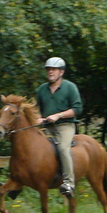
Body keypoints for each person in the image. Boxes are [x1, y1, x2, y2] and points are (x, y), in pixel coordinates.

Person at [35, 57, 83, 198]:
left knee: (62, 148)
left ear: (61, 72)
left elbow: (77, 109)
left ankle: (69, 182)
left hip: (65, 125)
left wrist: (59, 115)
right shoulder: (42, 89)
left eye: (53, 69)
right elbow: (36, 108)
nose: (50, 72)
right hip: (46, 126)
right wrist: (38, 117)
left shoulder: (70, 87)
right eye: (48, 69)